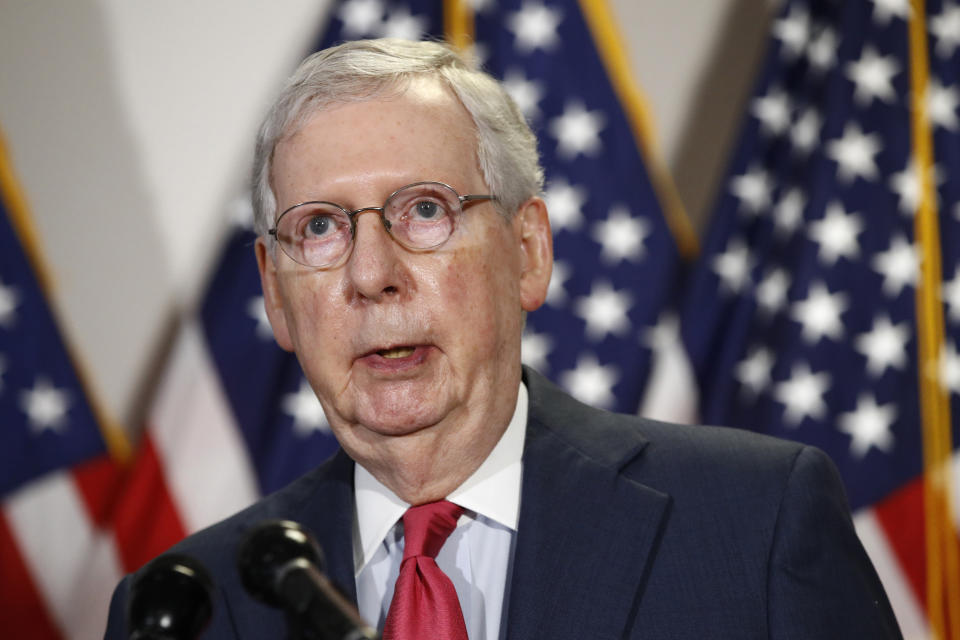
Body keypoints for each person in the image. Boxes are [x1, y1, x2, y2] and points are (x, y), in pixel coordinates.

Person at [105, 38, 901, 639]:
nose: (372, 273)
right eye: (319, 227)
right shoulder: (190, 604)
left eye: (423, 210)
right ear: (277, 295)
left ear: (528, 252)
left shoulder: (752, 523)